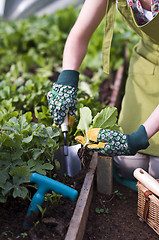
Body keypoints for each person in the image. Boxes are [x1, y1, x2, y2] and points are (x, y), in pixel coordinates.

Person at [47, 0, 159, 180]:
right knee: (129, 165)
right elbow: (80, 34)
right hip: (148, 63)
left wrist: (139, 137)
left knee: (157, 171)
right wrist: (66, 80)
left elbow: (139, 138)